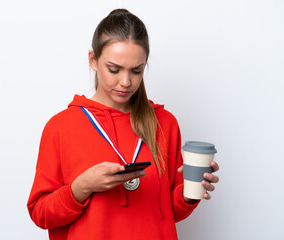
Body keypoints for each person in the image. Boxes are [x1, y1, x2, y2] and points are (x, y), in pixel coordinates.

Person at [27, 8, 219, 240]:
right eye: (114, 69)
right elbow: (40, 213)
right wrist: (81, 187)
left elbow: (169, 212)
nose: (126, 82)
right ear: (93, 60)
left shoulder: (165, 124)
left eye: (136, 71)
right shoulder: (60, 127)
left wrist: (191, 193)